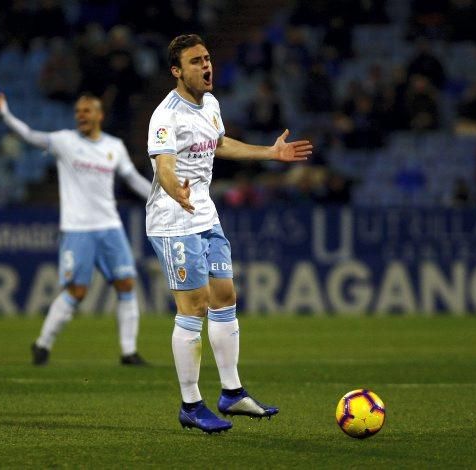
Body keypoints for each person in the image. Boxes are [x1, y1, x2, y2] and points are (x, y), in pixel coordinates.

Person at [146, 34, 313, 433]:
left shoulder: (211, 104)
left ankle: (232, 393)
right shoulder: (165, 115)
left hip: (206, 213)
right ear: (177, 71)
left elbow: (218, 144)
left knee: (225, 297)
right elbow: (164, 166)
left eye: (207, 59)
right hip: (173, 217)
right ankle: (190, 404)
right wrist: (176, 192)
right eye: (195, 62)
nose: (206, 67)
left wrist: (269, 154)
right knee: (194, 307)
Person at [0, 92, 152, 366]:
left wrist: (161, 197)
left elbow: (133, 179)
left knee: (126, 284)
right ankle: (42, 345)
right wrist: (6, 114)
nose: (81, 115)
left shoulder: (114, 146)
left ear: (99, 115)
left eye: (87, 110)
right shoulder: (64, 141)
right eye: (78, 111)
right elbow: (30, 135)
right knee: (77, 291)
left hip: (110, 226)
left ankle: (129, 352)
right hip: (78, 229)